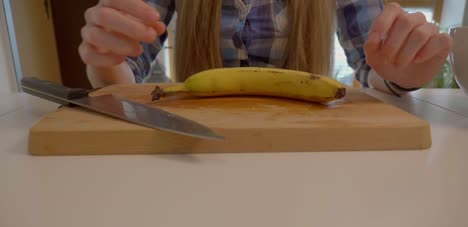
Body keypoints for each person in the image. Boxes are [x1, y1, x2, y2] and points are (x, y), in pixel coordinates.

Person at [79, 0, 452, 97]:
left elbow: (377, 66)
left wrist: (402, 72)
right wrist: (107, 62)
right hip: (192, 150)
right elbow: (126, 67)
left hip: (307, 157)